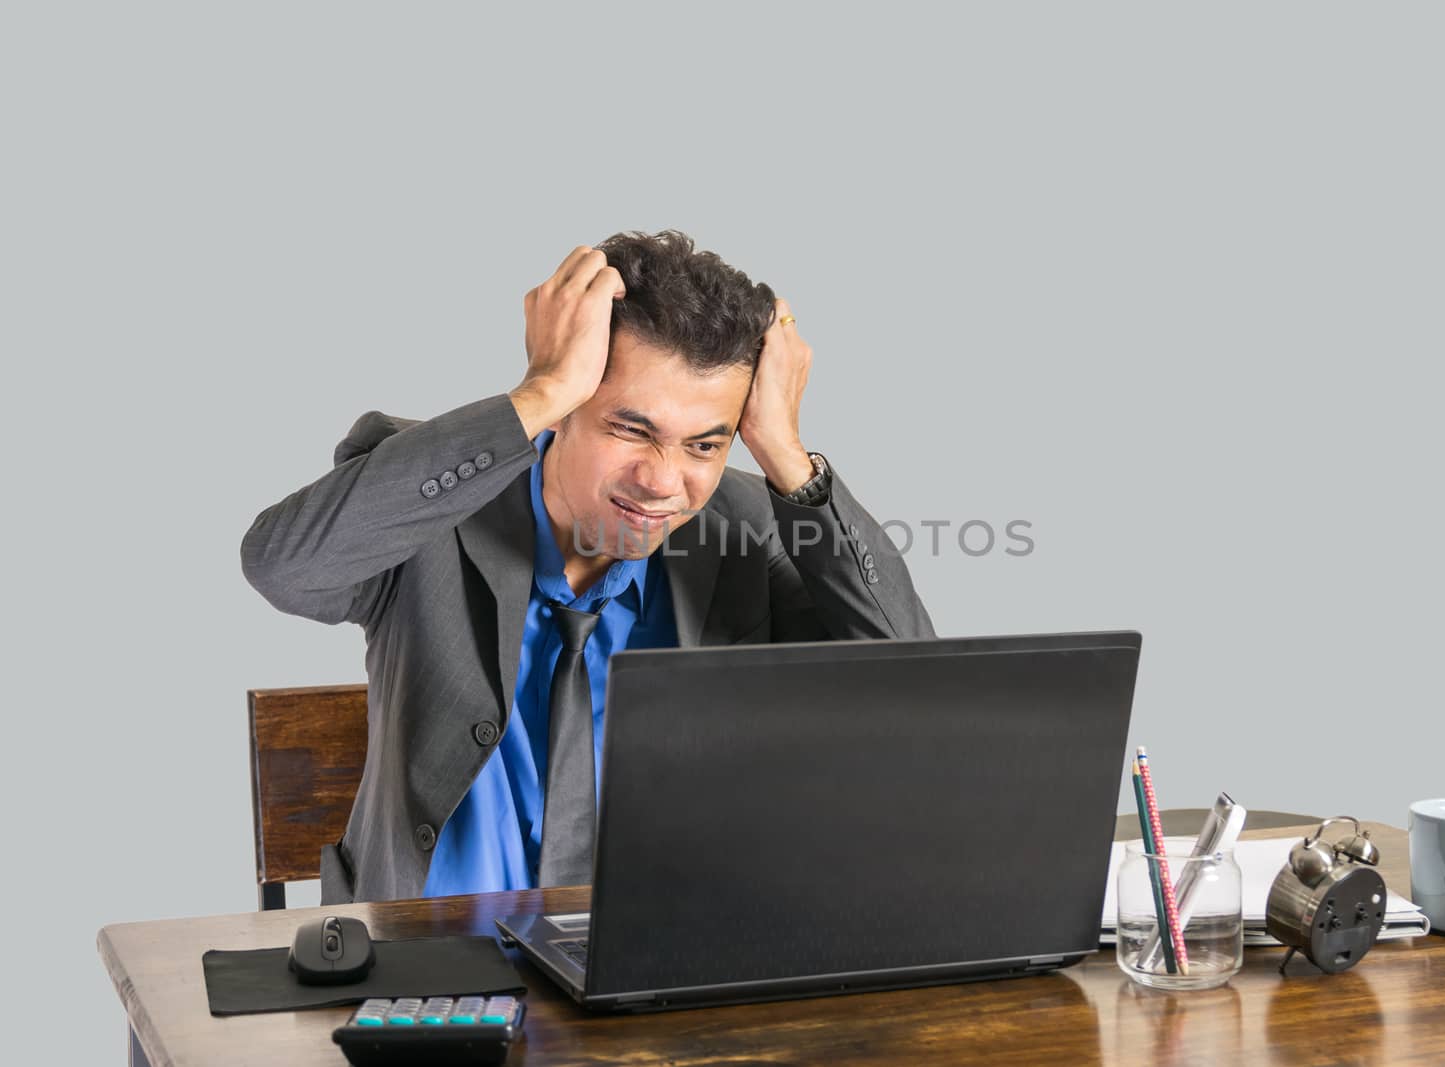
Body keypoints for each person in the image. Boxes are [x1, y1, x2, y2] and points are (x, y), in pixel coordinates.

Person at [241, 229, 936, 903]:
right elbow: (286, 566)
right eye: (631, 429)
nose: (663, 481)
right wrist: (539, 389)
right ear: (566, 409)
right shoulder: (438, 496)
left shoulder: (743, 530)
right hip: (432, 967)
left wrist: (789, 457)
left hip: (654, 973)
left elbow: (913, 702)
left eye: (703, 445)